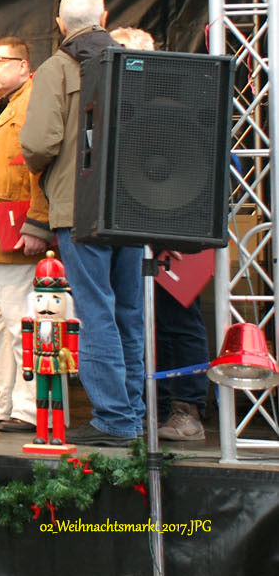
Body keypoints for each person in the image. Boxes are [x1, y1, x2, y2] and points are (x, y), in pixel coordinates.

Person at [21, 0, 144, 447]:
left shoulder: (57, 67)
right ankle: (133, 413)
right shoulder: (133, 62)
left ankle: (114, 418)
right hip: (131, 206)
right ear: (105, 17)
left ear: (59, 24)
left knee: (96, 312)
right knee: (129, 312)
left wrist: (42, 167)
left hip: (78, 206)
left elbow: (39, 142)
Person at [109, 25, 208, 442]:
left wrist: (179, 232)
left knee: (177, 322)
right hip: (127, 229)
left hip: (177, 232)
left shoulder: (176, 108)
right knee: (134, 322)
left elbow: (204, 169)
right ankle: (146, 406)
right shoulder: (116, 107)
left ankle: (187, 410)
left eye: (128, 56)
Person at [0, 37, 50, 434]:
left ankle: (30, 407)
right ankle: (4, 400)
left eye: (0, 61)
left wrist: (39, 221)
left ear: (23, 66)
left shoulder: (34, 102)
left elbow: (43, 165)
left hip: (14, 230)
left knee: (22, 324)